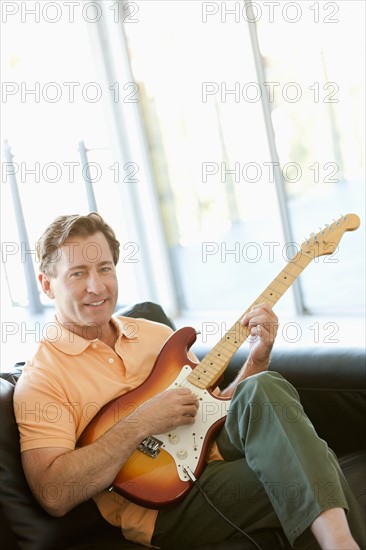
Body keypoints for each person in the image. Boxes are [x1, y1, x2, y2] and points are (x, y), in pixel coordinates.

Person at [14, 212, 365, 550]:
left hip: (211, 455)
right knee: (313, 469)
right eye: (78, 274)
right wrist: (142, 421)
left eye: (105, 268)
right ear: (47, 285)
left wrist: (257, 358)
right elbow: (54, 494)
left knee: (265, 385)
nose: (97, 286)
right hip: (164, 503)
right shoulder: (43, 378)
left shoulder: (155, 335)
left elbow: (212, 411)